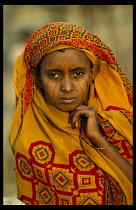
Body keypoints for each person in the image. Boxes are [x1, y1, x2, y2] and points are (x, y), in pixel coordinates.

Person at [9, 22, 133, 205]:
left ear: (92, 74)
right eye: (54, 75)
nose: (67, 87)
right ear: (38, 79)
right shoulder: (30, 140)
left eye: (78, 73)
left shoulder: (121, 123)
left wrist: (99, 139)